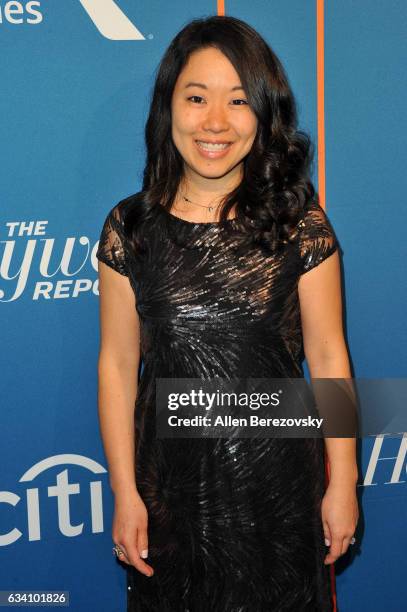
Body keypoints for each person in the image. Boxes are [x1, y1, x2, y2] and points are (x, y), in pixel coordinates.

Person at [96, 15, 359, 612]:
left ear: (264, 115)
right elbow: (116, 363)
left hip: (281, 489)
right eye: (197, 98)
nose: (215, 122)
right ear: (169, 109)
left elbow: (327, 355)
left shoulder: (298, 224)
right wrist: (124, 491)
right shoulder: (130, 229)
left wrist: (342, 481)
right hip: (171, 493)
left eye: (239, 101)